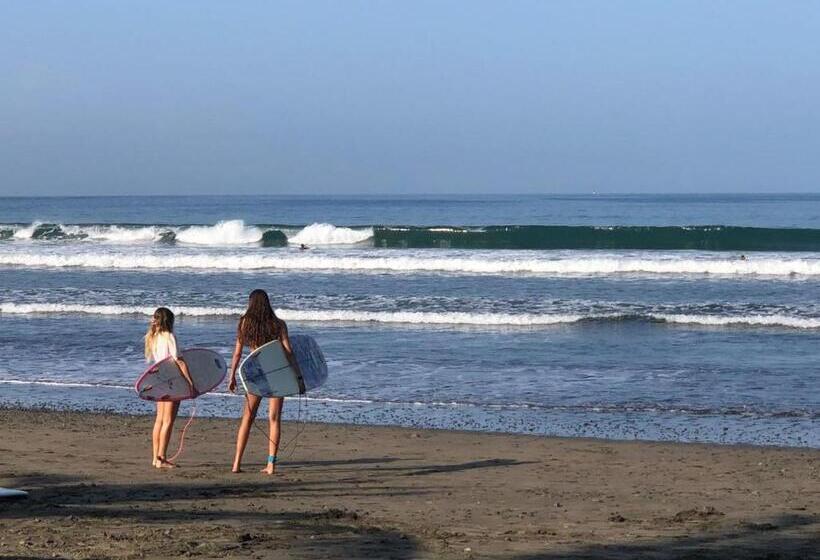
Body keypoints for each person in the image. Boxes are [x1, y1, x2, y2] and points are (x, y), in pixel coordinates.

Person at [228, 289, 299, 474]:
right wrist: (297, 375)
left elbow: (237, 353)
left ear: (250, 303)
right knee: (274, 419)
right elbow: (289, 352)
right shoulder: (278, 324)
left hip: (255, 374)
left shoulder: (245, 323)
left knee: (247, 419)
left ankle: (236, 464)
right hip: (276, 372)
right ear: (267, 303)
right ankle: (271, 464)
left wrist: (232, 375)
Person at [144, 307, 193, 469]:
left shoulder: (154, 337)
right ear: (169, 321)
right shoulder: (170, 337)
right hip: (173, 382)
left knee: (159, 420)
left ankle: (155, 458)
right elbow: (179, 361)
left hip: (159, 381)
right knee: (168, 421)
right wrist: (190, 382)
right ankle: (162, 458)